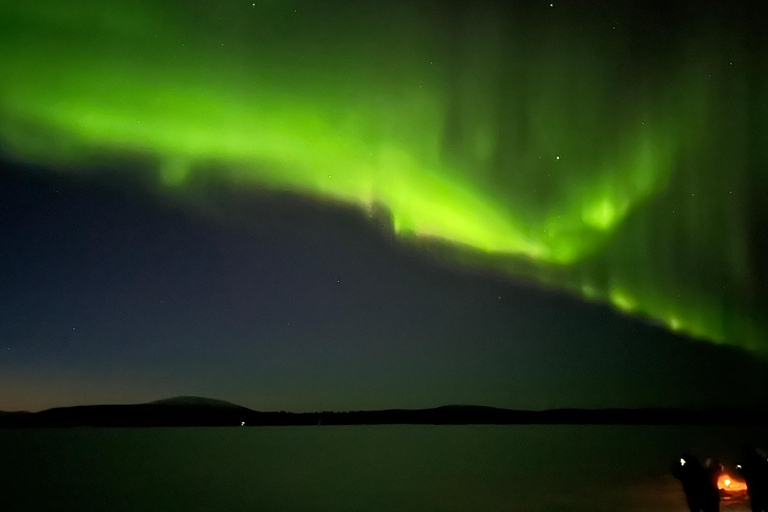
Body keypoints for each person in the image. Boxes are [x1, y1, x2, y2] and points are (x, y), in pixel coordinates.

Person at [738, 445, 768, 512]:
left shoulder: (747, 460)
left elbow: (743, 471)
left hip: (755, 488)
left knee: (756, 506)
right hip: (762, 488)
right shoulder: (760, 459)